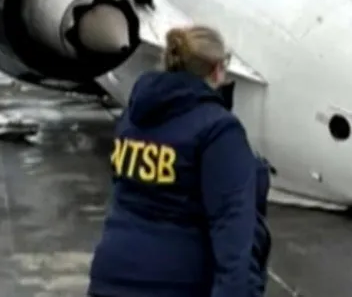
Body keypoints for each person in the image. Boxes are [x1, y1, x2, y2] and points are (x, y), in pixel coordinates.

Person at [89, 25, 263, 297]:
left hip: (112, 273)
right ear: (218, 70)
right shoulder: (218, 130)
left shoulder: (133, 117)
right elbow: (233, 231)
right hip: (176, 283)